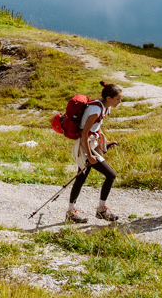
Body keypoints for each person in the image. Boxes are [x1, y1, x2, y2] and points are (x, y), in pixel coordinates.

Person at [67, 82, 121, 223]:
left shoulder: (103, 107)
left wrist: (105, 142)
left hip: (91, 144)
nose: (119, 102)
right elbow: (84, 133)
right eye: (118, 99)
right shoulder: (95, 110)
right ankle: (101, 210)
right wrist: (90, 155)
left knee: (81, 177)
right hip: (84, 147)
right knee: (110, 175)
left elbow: (97, 128)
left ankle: (70, 212)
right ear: (108, 98)